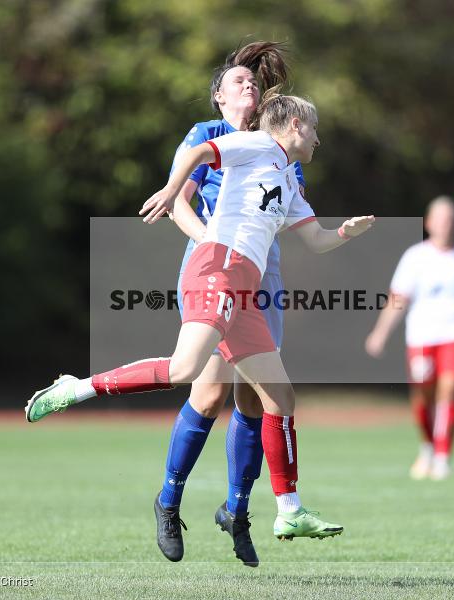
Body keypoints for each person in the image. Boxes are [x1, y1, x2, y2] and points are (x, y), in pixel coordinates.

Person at [26, 91, 374, 554]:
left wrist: (343, 234)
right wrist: (173, 191)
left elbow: (314, 239)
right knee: (184, 371)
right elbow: (198, 153)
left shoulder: (288, 177)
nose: (318, 137)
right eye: (313, 127)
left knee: (280, 396)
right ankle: (78, 387)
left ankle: (289, 511)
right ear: (292, 125)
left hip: (245, 289)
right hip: (217, 266)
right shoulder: (256, 144)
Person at [155, 42, 300, 568]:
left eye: (253, 82)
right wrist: (212, 242)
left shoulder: (277, 142)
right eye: (237, 82)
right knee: (208, 390)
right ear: (218, 96)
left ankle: (237, 510)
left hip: (263, 273)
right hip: (212, 266)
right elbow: (178, 204)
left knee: (256, 397)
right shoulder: (204, 134)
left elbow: (285, 214)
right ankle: (169, 502)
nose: (250, 87)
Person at [365, 196, 454, 480]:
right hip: (422, 336)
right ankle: (427, 447)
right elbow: (398, 299)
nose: (447, 225)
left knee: (450, 388)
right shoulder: (415, 257)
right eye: (441, 219)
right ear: (429, 223)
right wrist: (380, 333)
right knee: (422, 396)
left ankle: (443, 456)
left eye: (452, 219)